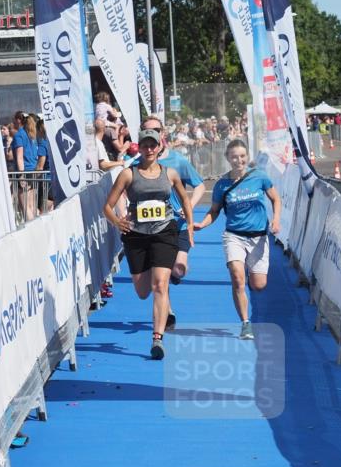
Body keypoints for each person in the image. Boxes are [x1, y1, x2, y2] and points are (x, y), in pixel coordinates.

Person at [102, 129, 194, 360]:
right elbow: (107, 206)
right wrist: (117, 222)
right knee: (143, 292)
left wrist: (190, 226)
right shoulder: (128, 174)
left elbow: (184, 197)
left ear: (159, 147)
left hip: (164, 232)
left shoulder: (170, 173)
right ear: (139, 148)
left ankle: (157, 339)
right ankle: (153, 267)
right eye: (145, 145)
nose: (150, 149)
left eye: (153, 145)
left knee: (160, 286)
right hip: (137, 236)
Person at [193, 139, 281, 340]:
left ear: (247, 157)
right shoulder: (222, 184)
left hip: (258, 237)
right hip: (234, 236)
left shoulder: (260, 177)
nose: (238, 160)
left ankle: (249, 278)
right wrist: (201, 224)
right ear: (227, 158)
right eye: (234, 157)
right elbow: (214, 211)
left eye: (242, 156)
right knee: (237, 278)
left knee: (258, 285)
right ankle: (245, 323)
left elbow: (275, 199)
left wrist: (276, 221)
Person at [139, 115, 206, 330]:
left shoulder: (177, 160)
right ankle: (166, 313)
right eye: (148, 130)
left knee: (179, 268)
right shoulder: (138, 163)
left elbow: (200, 186)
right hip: (153, 227)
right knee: (162, 275)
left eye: (157, 130)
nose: (153, 134)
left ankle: (170, 282)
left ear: (163, 134)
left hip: (178, 225)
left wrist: (189, 209)